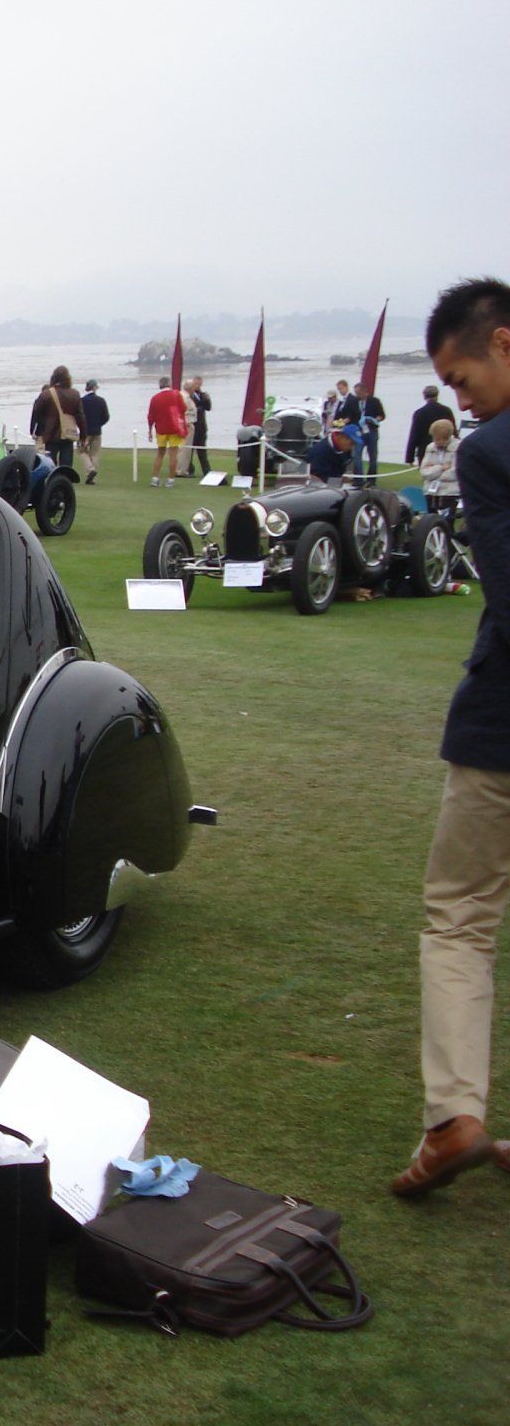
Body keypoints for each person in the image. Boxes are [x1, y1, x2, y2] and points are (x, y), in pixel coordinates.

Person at [392, 276, 510, 1196]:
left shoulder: (491, 454)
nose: (458, 403)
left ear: (500, 344)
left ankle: (455, 1116)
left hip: (501, 727)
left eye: (460, 380)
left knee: (460, 916)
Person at [29, 365, 83, 473]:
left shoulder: (46, 394)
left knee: (50, 462)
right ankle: (65, 481)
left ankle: (52, 482)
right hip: (68, 432)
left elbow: (36, 412)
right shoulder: (75, 394)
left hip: (50, 433)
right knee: (67, 463)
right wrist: (83, 434)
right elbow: (80, 415)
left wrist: (33, 429)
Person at [145, 375, 187, 486]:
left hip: (161, 429)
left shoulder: (155, 398)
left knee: (160, 453)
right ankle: (170, 480)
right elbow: (184, 409)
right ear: (170, 384)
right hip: (174, 427)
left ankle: (155, 478)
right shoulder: (176, 395)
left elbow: (150, 416)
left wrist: (149, 430)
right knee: (173, 453)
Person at [406, 384, 459, 467]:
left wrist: (409, 458)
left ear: (424, 396)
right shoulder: (447, 411)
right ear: (437, 395)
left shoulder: (419, 413)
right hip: (445, 448)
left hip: (425, 450)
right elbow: (453, 431)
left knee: (428, 476)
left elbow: (414, 435)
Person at [421, 418, 461, 515]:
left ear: (446, 437)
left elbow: (456, 472)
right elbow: (424, 472)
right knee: (431, 521)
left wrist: (434, 473)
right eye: (434, 438)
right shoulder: (430, 447)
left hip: (449, 493)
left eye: (438, 439)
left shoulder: (459, 447)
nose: (435, 441)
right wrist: (441, 468)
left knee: (447, 522)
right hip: (431, 492)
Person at [79, 378, 110, 485]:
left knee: (82, 451)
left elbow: (79, 416)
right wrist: (98, 424)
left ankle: (90, 470)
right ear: (94, 387)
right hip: (97, 431)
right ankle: (92, 477)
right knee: (94, 454)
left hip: (85, 432)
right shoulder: (101, 401)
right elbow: (106, 417)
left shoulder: (82, 401)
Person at [359, 384, 386, 484]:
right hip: (359, 431)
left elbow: (382, 415)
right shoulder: (356, 402)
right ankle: (358, 477)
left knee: (373, 456)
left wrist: (374, 420)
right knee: (357, 455)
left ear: (364, 392)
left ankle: (371, 479)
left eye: (359, 393)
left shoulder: (374, 401)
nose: (358, 395)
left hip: (371, 431)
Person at [188, 376, 214, 476]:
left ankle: (206, 471)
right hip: (191, 426)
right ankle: (189, 470)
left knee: (202, 451)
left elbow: (208, 407)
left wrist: (206, 400)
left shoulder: (203, 395)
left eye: (198, 384)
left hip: (201, 427)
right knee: (188, 451)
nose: (196, 386)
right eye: (195, 384)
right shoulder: (188, 396)